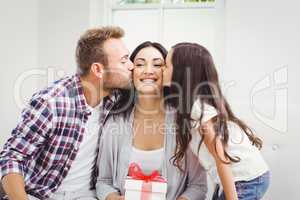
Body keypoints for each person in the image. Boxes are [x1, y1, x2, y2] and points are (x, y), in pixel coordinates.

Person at [0, 26, 134, 200]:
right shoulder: (52, 102)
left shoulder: (115, 97)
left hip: (87, 195)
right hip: (40, 195)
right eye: (124, 61)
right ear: (98, 70)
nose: (131, 66)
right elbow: (12, 157)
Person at [96, 41, 207, 200]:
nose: (148, 71)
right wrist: (114, 198)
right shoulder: (115, 122)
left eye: (157, 65)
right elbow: (103, 182)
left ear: (169, 72)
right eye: (140, 64)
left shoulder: (184, 122)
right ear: (131, 72)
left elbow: (198, 186)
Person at [166, 42, 270, 200]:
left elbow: (222, 160)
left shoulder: (199, 109)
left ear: (181, 72)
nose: (162, 70)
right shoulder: (192, 105)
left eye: (166, 66)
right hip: (240, 178)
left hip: (247, 180)